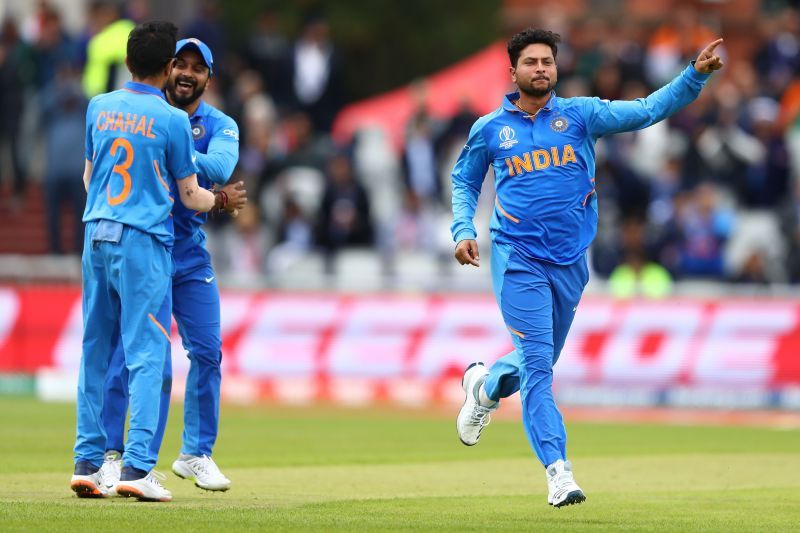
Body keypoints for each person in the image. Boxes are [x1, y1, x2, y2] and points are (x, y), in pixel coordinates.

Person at [451, 28, 723, 507]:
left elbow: (644, 112)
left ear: (556, 69)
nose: (540, 69)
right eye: (531, 62)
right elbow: (464, 181)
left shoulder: (581, 115)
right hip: (518, 258)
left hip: (571, 262)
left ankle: (485, 384)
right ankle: (559, 473)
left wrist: (692, 77)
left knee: (539, 362)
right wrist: (462, 230)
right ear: (512, 71)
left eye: (547, 62)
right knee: (538, 367)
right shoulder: (490, 129)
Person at [70, 20, 219, 503]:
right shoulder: (173, 120)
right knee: (147, 353)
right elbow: (192, 195)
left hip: (96, 234)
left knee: (96, 349)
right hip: (144, 242)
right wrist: (221, 202)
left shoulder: (100, 106)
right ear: (167, 66)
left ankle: (87, 464)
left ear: (129, 60)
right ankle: (136, 467)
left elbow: (90, 176)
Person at [99, 38, 245, 493]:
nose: (186, 73)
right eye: (178, 64)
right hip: (145, 249)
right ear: (165, 68)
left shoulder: (219, 123)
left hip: (188, 252)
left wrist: (168, 147)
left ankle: (196, 454)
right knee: (134, 356)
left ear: (208, 78)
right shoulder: (145, 111)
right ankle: (112, 455)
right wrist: (173, 147)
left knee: (208, 351)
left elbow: (220, 168)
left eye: (196, 68)